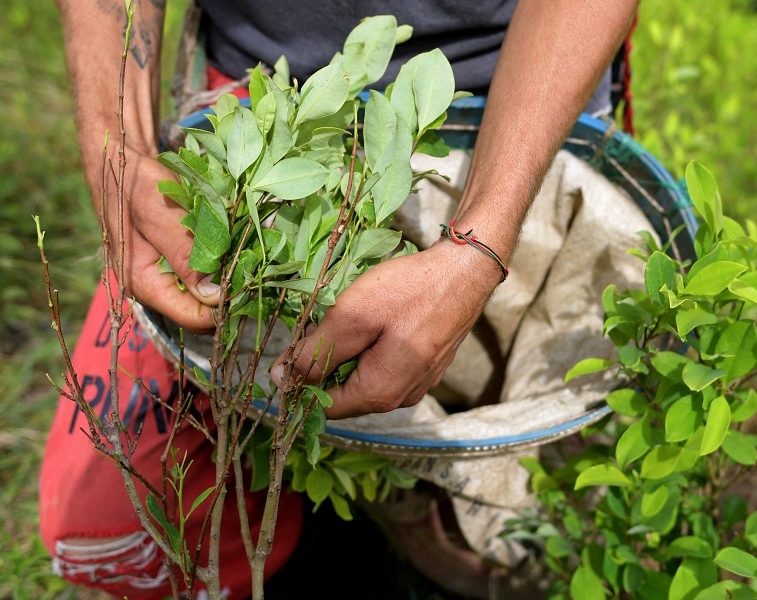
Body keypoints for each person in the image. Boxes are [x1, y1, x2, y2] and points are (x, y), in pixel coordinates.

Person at [40, 1, 639, 598]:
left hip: (511, 100)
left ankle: (414, 517)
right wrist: (116, 149)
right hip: (257, 107)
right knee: (106, 527)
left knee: (526, 525)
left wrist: (478, 246)